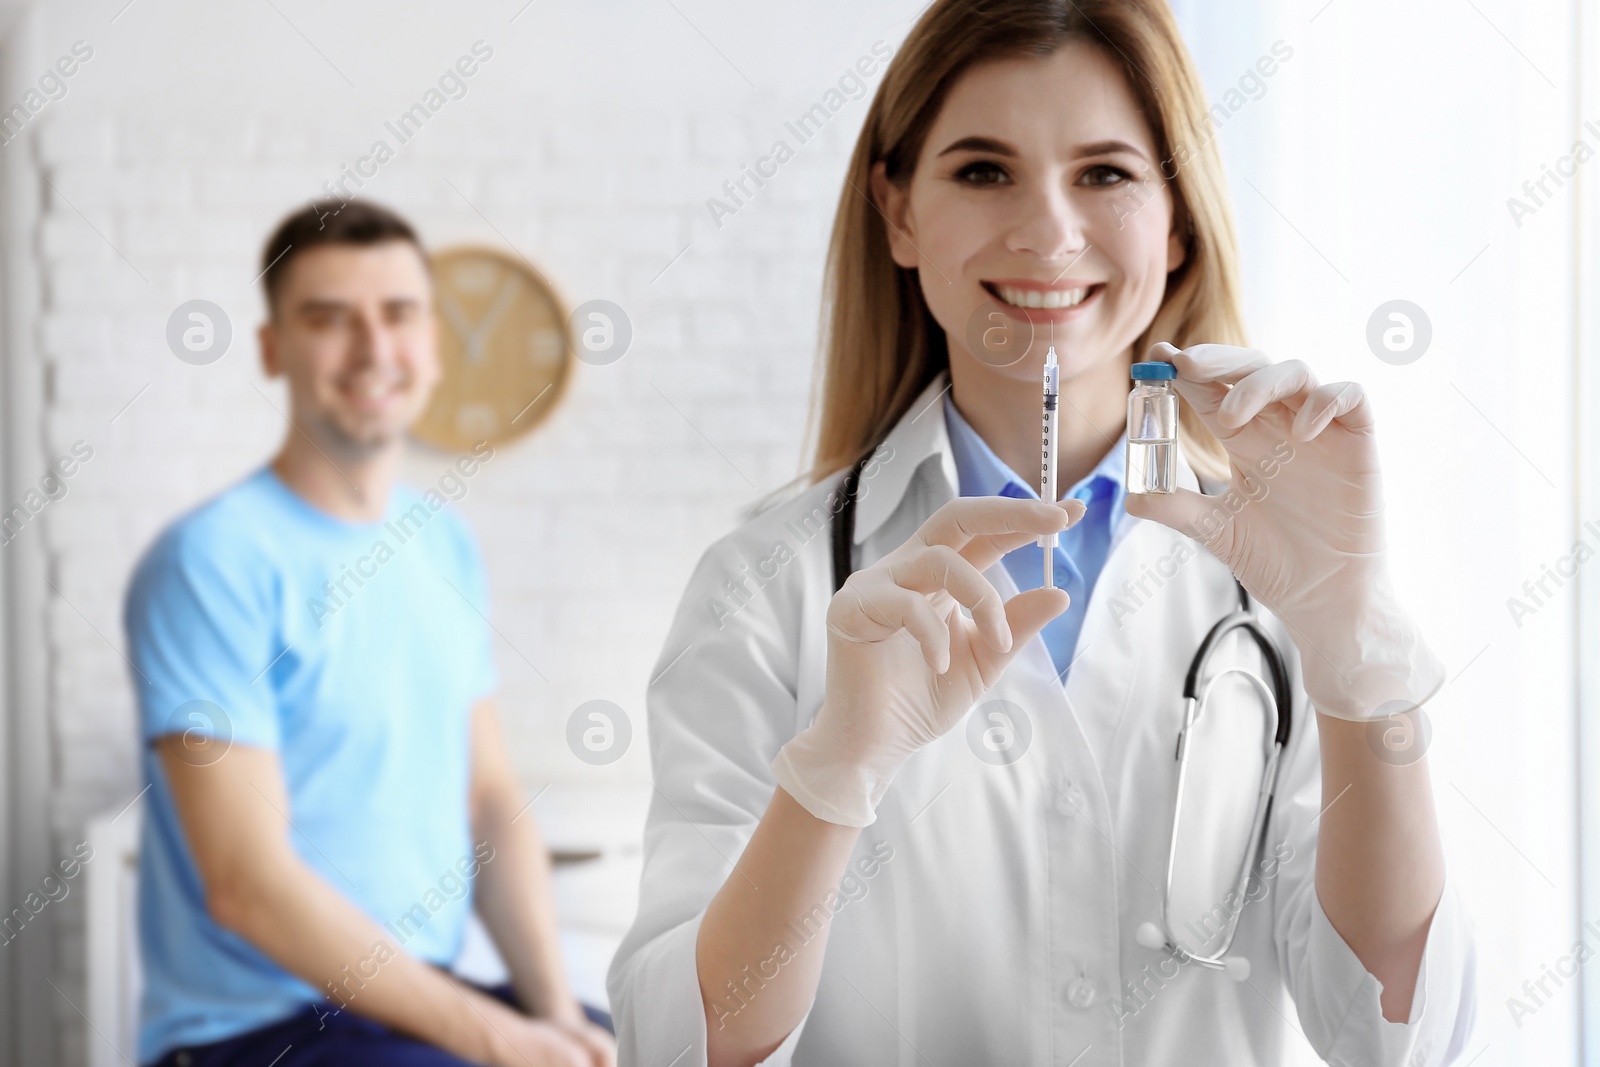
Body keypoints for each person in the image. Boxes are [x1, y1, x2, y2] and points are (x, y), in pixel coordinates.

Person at [608, 2, 1475, 1065]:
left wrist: (1359, 658)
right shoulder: (765, 583)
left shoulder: (1279, 577)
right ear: (898, 212)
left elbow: (1395, 1029)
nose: (1047, 232)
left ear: (1177, 220)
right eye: (982, 170)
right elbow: (678, 1044)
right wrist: (831, 774)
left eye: (1105, 174)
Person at [124, 200, 616, 1067]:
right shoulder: (210, 560)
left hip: (413, 1000)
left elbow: (489, 799)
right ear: (272, 348)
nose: (373, 350)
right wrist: (502, 1041)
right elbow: (246, 888)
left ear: (431, 344)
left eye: (398, 315)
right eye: (327, 319)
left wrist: (554, 1016)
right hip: (260, 1032)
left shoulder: (439, 542)